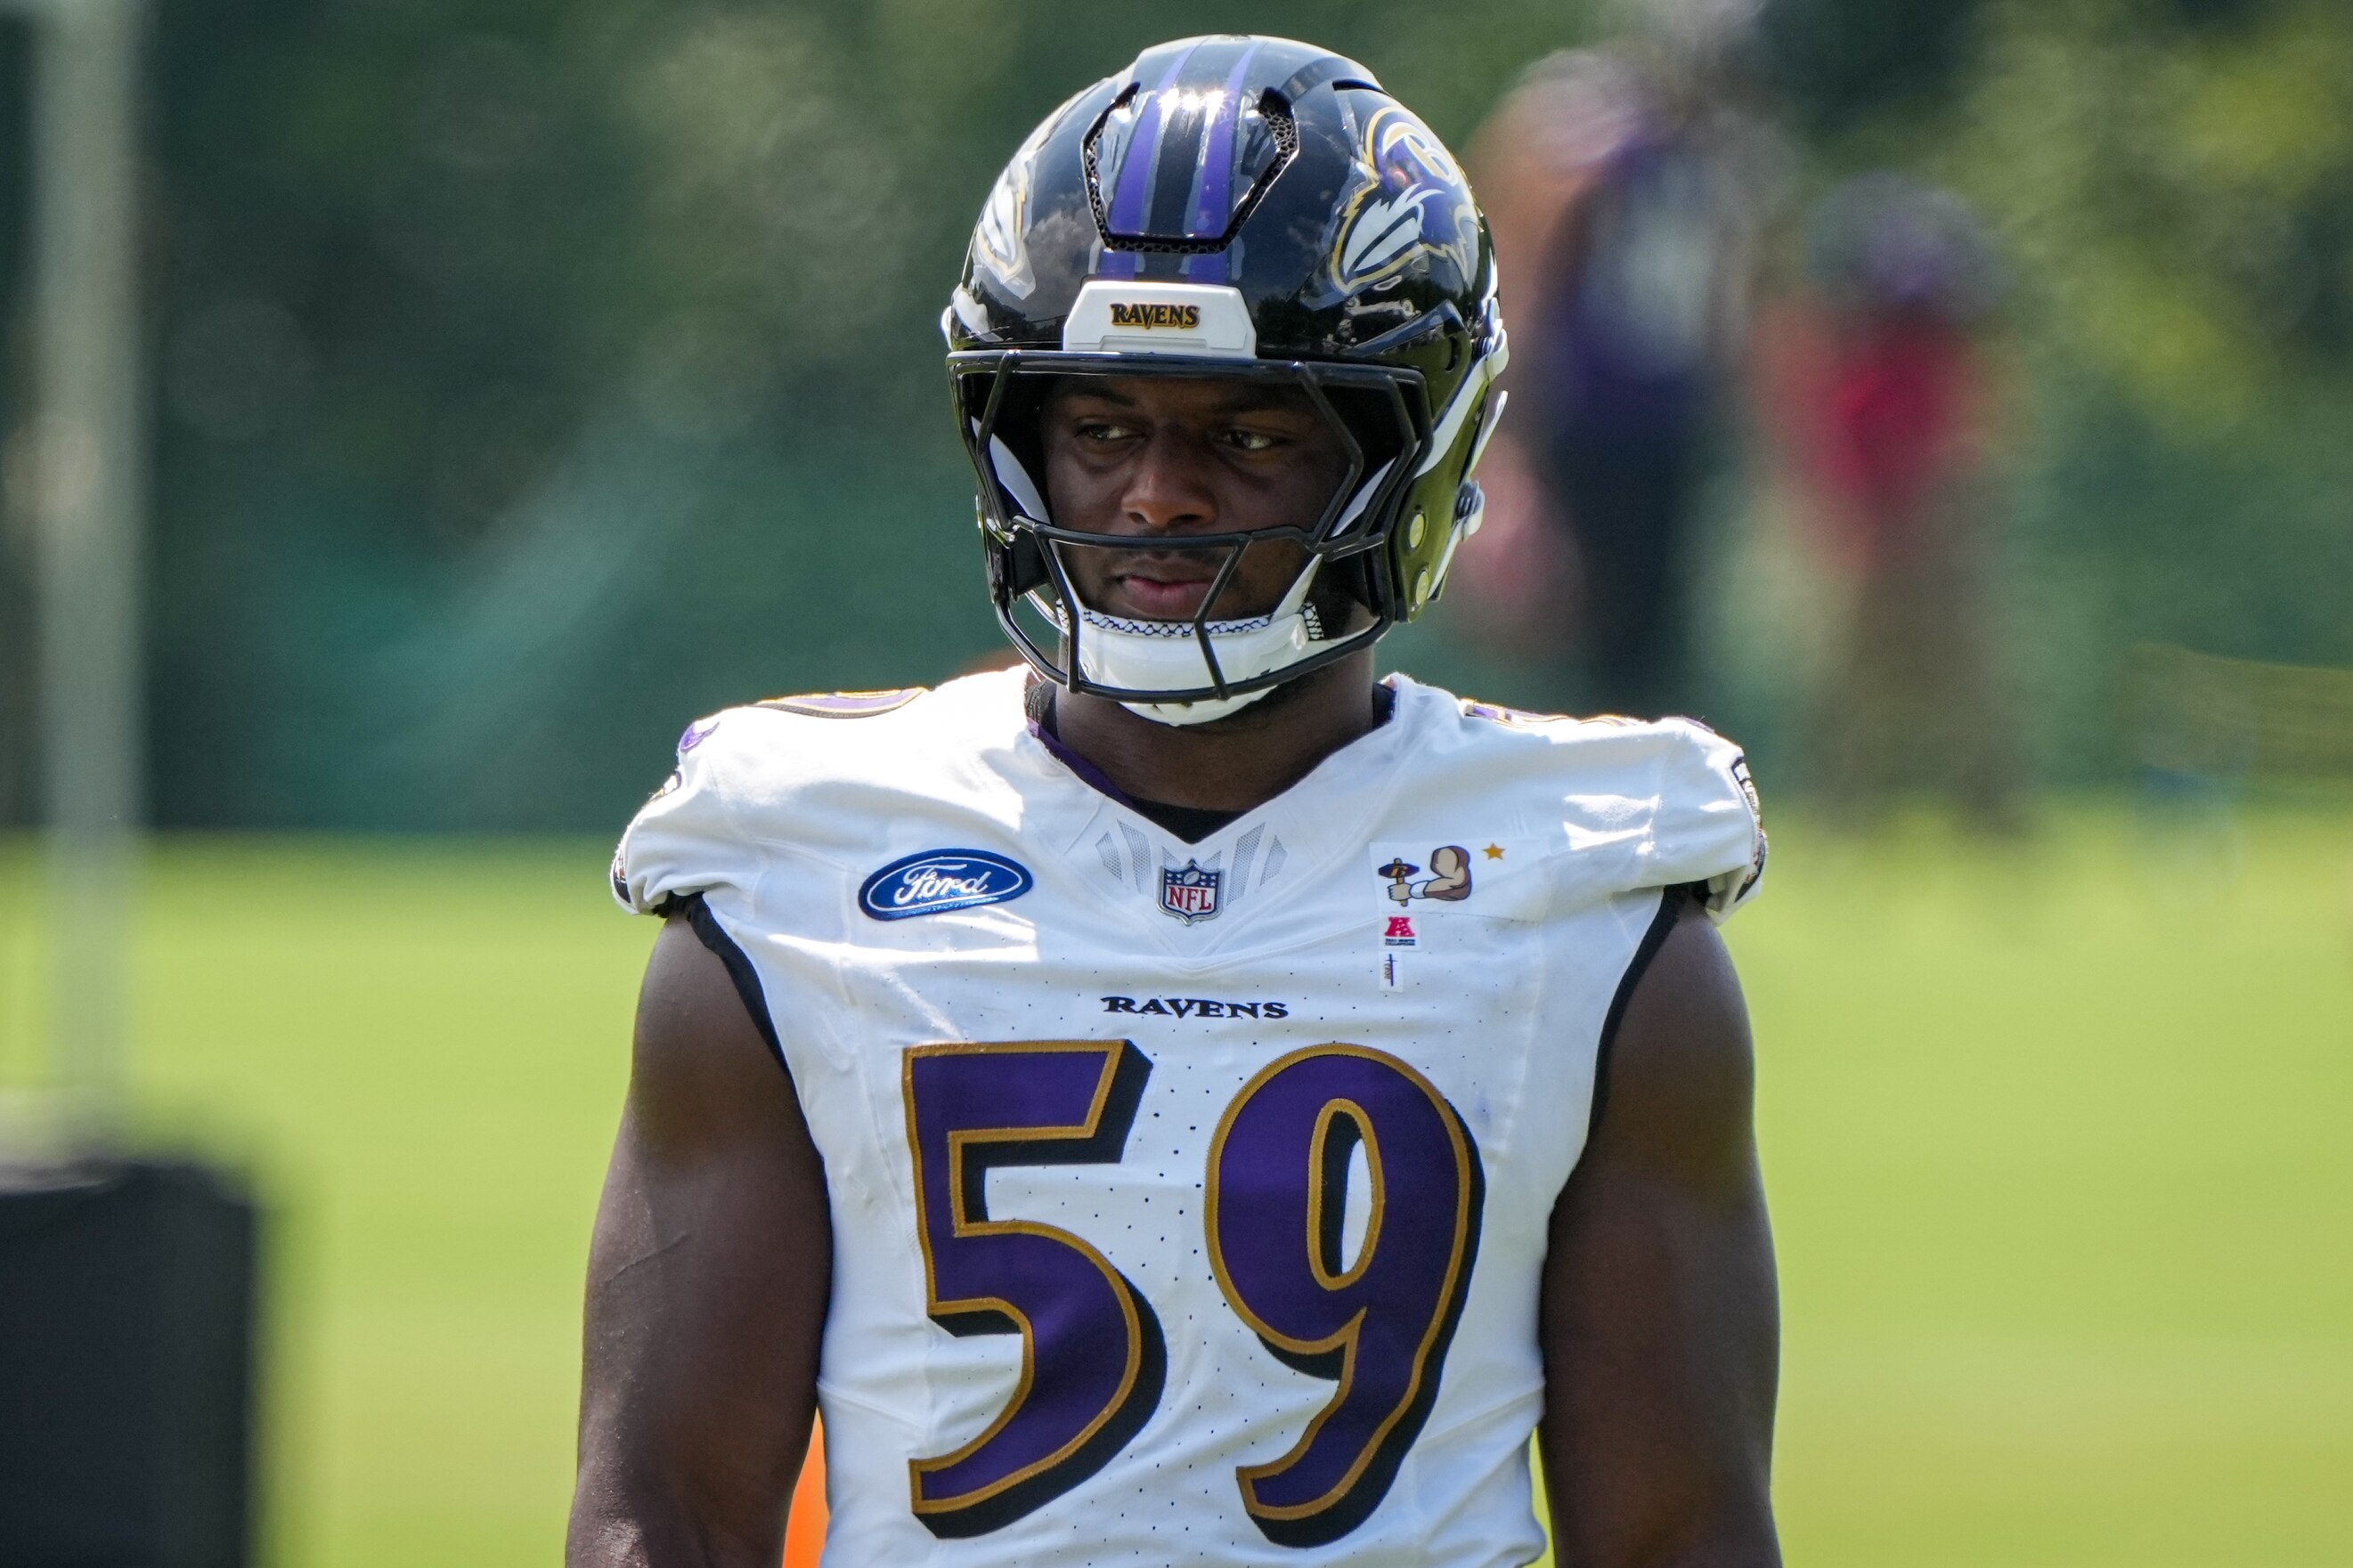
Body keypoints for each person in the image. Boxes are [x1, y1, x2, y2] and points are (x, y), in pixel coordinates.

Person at [568, 36, 1779, 1568]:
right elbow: (661, 1516)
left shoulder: (1587, 904)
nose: (1154, 494)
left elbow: (1678, 1536)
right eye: (1099, 427)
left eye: (1249, 432)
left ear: (1409, 448)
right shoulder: (802, 863)